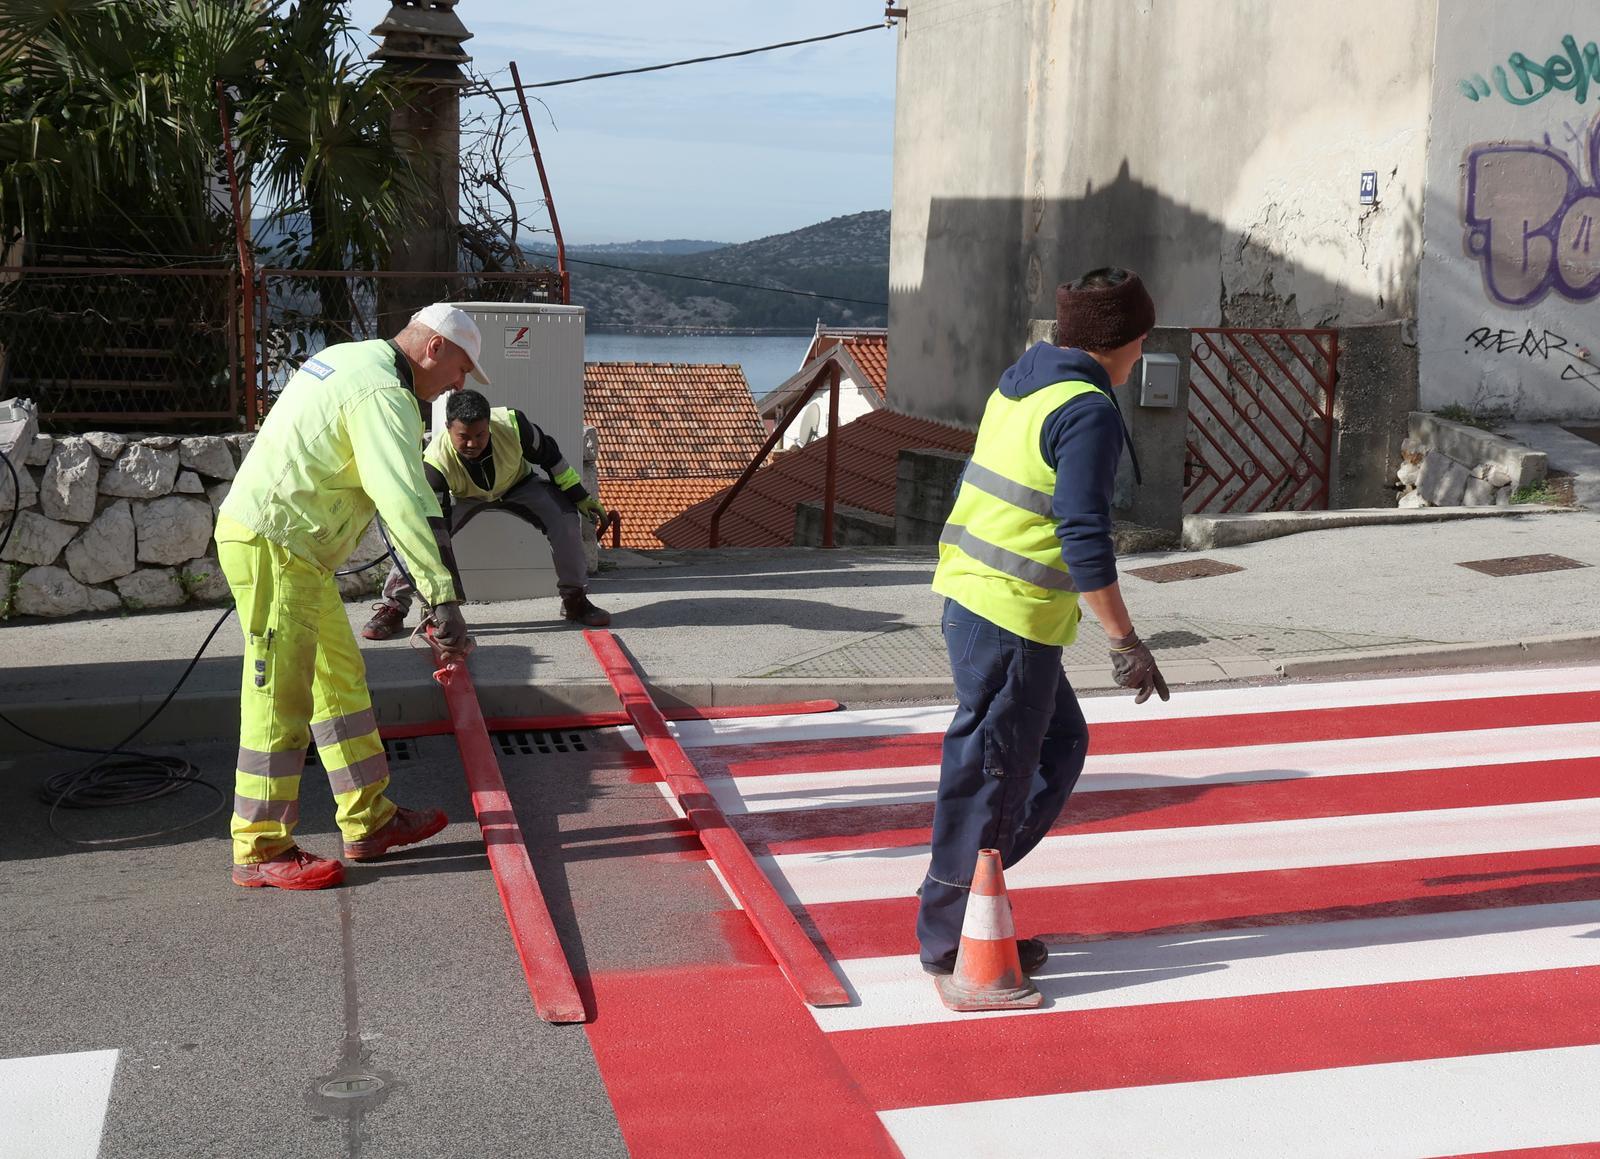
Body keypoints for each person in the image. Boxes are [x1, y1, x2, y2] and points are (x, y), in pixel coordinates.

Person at [916, 267, 1171, 978]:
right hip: (1010, 618)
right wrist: (1125, 641)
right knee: (994, 776)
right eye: (1142, 335)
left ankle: (959, 896)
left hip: (976, 601)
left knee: (1053, 746)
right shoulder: (1086, 410)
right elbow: (1083, 534)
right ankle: (956, 933)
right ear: (1124, 341)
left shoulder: (1025, 378)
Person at [215, 302, 480, 890]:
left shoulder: (350, 359)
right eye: (461, 368)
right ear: (434, 348)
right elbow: (405, 500)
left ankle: (370, 820)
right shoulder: (383, 393)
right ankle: (259, 847)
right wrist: (444, 601)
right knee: (279, 698)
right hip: (276, 545)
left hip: (293, 549)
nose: (459, 385)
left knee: (338, 683)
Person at [360, 387, 611, 638]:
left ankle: (575, 600)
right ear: (448, 428)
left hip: (518, 484)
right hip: (462, 496)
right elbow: (438, 541)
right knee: (421, 535)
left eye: (480, 435)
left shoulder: (514, 424)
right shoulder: (434, 465)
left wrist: (579, 496)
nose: (472, 443)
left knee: (565, 518)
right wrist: (441, 603)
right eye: (463, 436)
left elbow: (552, 459)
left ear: (489, 424)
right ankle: (394, 606)